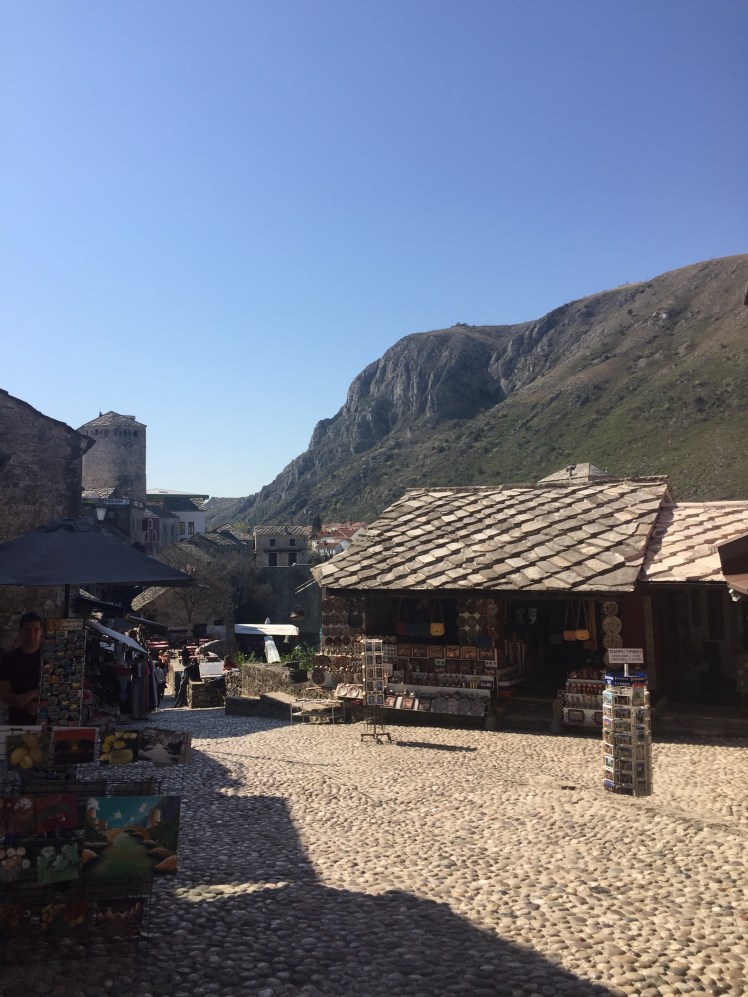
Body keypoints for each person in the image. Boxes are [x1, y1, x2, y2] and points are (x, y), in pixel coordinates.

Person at [0, 612, 43, 725]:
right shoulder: (8, 659)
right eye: (27, 630)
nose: (32, 634)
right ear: (20, 631)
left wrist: (32, 694)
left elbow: (62, 687)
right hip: (18, 723)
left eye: (36, 630)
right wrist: (27, 705)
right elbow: (4, 694)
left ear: (41, 631)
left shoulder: (50, 657)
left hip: (48, 722)